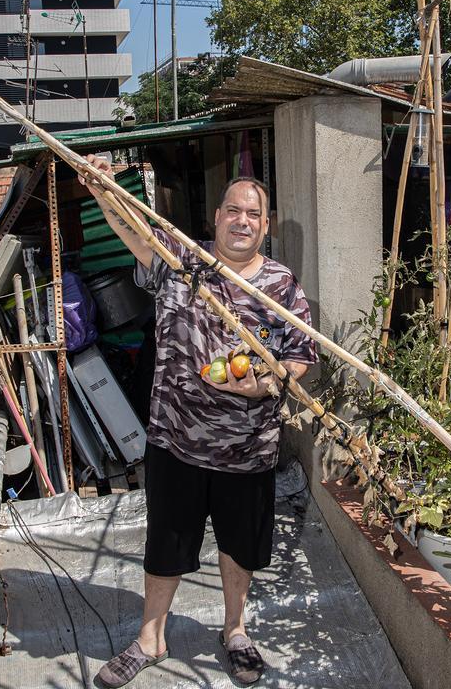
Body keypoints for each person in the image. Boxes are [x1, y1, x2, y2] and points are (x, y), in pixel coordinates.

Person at [80, 154, 316, 687]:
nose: (242, 221)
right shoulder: (183, 260)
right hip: (175, 442)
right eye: (233, 210)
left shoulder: (279, 285)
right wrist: (101, 190)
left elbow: (301, 355)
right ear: (215, 217)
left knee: (239, 547)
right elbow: (137, 234)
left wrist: (267, 381)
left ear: (266, 224)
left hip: (247, 448)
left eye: (253, 214)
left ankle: (235, 631)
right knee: (165, 545)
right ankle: (150, 637)